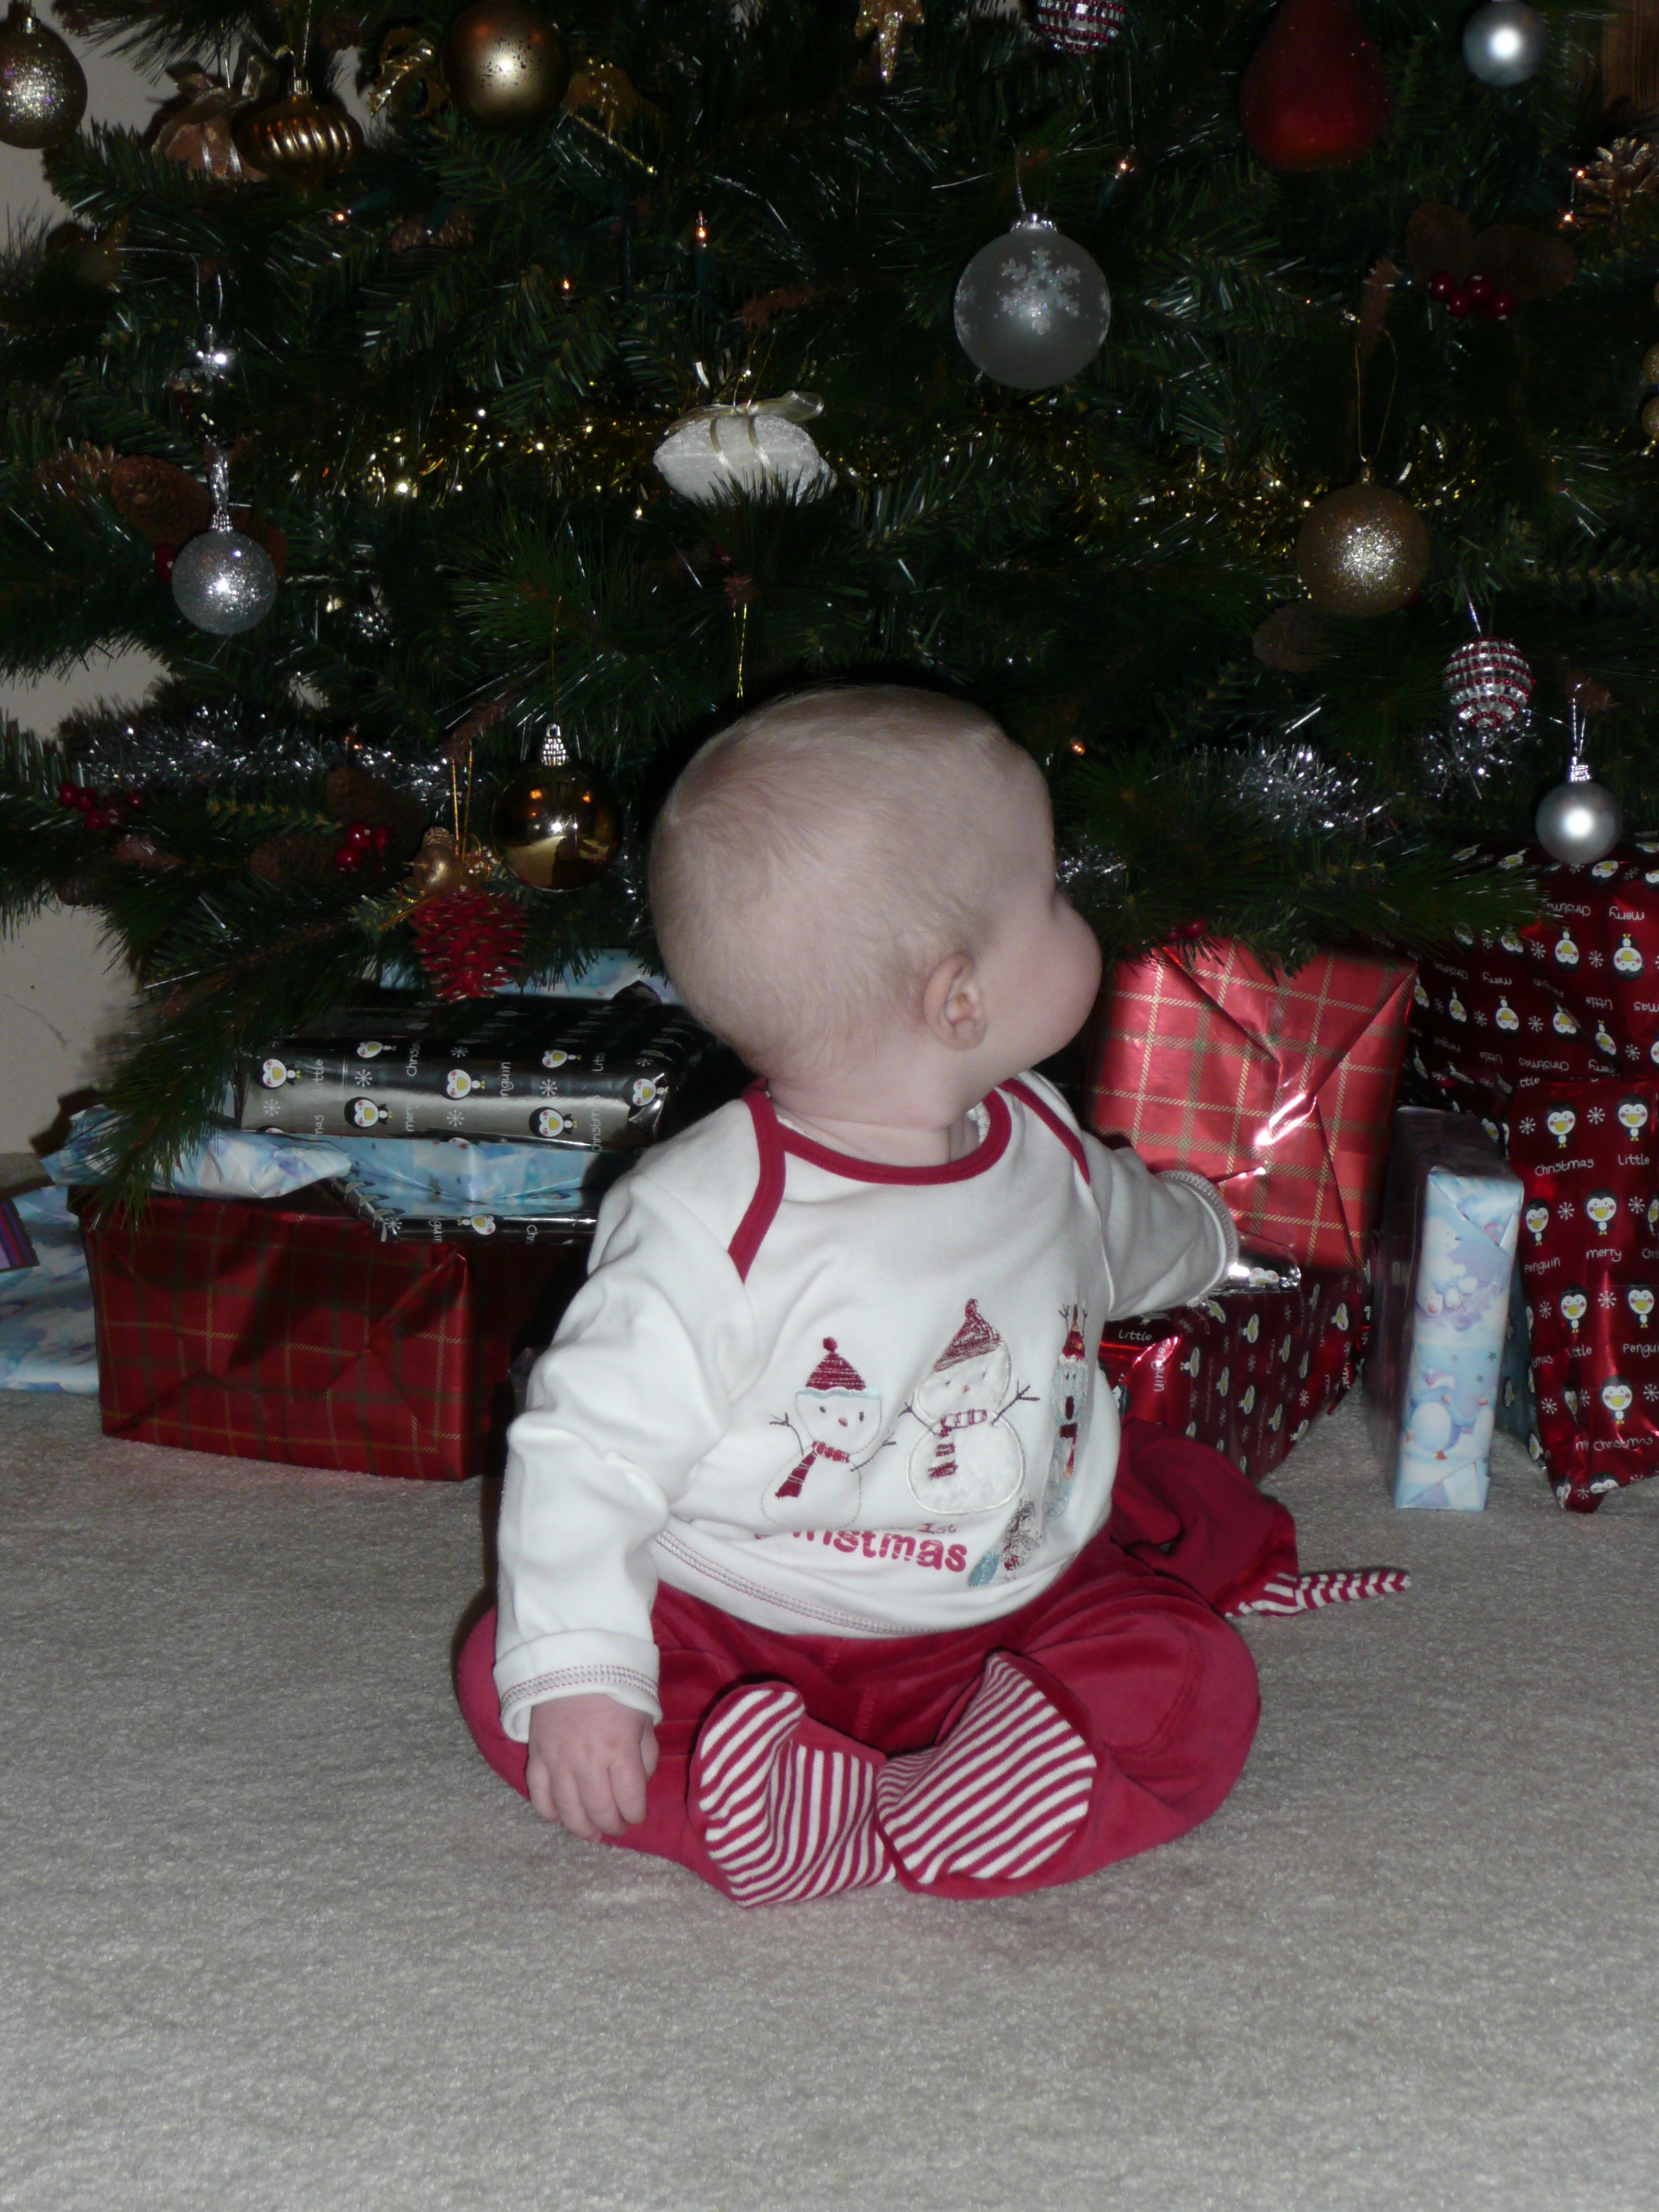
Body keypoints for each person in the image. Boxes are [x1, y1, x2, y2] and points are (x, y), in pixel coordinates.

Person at [456, 685, 1391, 1905]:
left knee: (1189, 1676)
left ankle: (937, 1797)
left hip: (1007, 1609)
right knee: (521, 1677)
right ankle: (777, 1805)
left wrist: (1212, 1236)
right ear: (960, 1000)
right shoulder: (706, 1218)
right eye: (1052, 894)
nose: (1080, 912)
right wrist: (584, 1676)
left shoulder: (1042, 1148)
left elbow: (1140, 1236)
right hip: (738, 1617)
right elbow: (588, 1452)